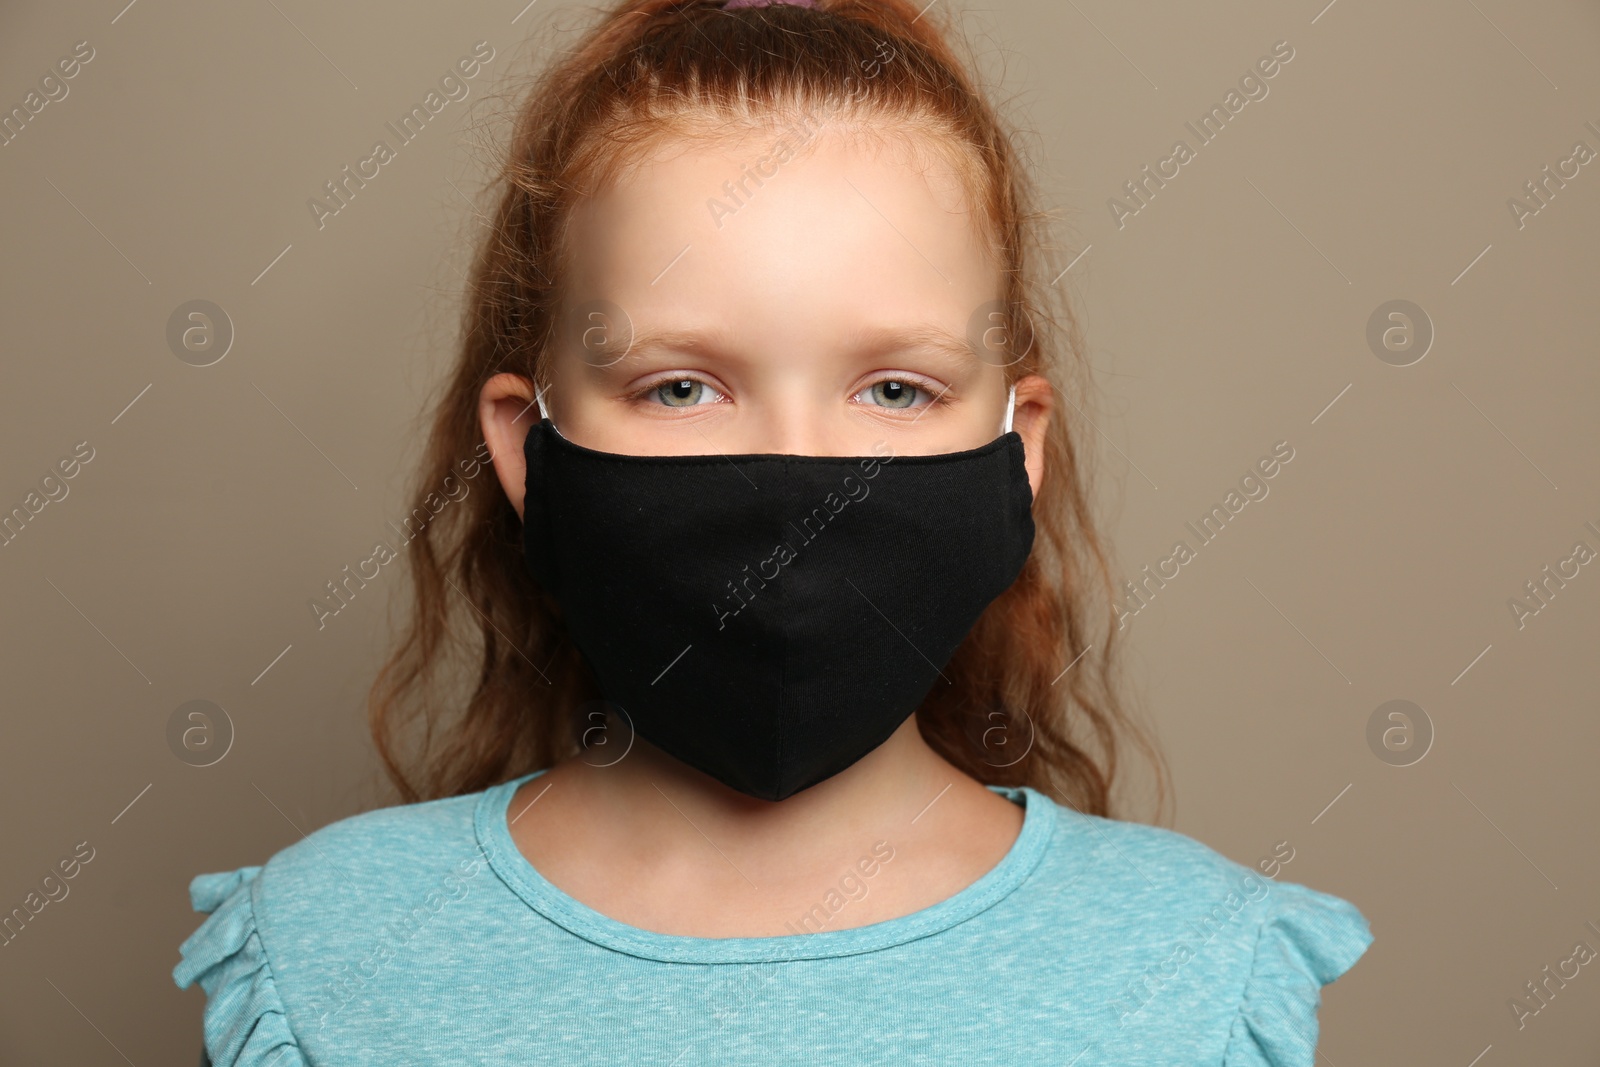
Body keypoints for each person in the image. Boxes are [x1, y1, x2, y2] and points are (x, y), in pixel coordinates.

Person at [172, 0, 1372, 1063]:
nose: (802, 477)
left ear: (1020, 447)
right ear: (523, 448)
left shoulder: (1193, 966)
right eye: (681, 386)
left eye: (894, 389)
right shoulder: (329, 948)